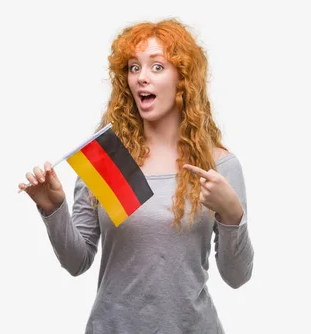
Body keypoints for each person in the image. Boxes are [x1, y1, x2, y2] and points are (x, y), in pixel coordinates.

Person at [19, 18, 254, 334]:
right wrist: (53, 208)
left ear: (182, 78)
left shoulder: (218, 166)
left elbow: (236, 277)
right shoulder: (107, 160)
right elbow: (78, 262)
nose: (142, 78)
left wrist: (232, 213)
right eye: (133, 68)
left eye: (157, 67)